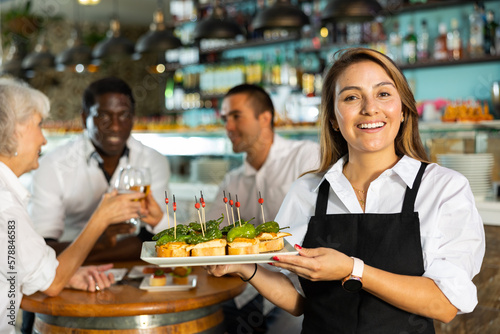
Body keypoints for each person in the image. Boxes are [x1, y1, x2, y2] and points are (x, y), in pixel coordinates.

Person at [206, 48, 485, 333]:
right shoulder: (308, 191)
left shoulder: (443, 189)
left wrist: (353, 270)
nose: (370, 108)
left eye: (384, 94)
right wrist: (245, 268)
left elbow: (444, 304)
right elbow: (299, 300)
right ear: (333, 119)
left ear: (403, 110)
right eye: (351, 97)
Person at [0, 78, 146, 334]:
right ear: (15, 131)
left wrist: (66, 275)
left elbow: (14, 271)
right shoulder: (5, 205)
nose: (43, 140)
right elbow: (53, 284)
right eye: (38, 125)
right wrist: (101, 218)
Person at [206, 84, 320, 333]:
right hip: (245, 288)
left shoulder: (305, 157)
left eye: (236, 116)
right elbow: (210, 241)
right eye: (225, 119)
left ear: (265, 118)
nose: (228, 127)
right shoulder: (233, 180)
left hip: (299, 291)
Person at [28, 77, 169, 263]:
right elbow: (43, 248)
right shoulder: (53, 165)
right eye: (103, 116)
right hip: (73, 271)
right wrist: (101, 242)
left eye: (124, 115)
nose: (115, 126)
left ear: (133, 117)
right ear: (85, 118)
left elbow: (156, 239)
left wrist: (83, 255)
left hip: (125, 267)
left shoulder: (152, 161)